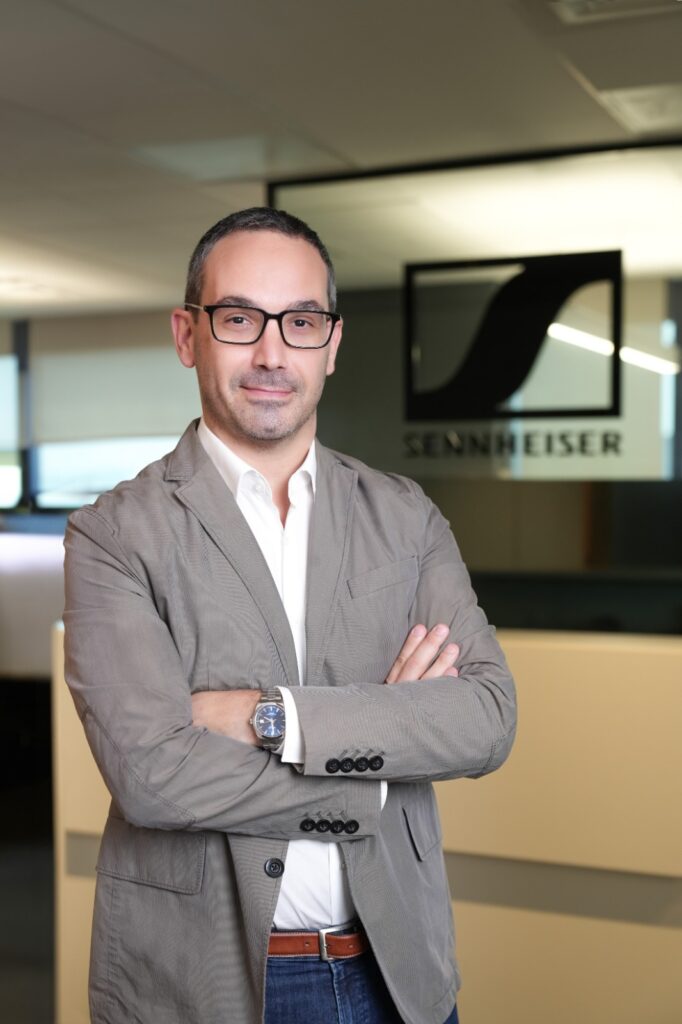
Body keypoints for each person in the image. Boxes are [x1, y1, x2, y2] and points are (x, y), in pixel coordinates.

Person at [63, 207, 516, 1024]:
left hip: (399, 974)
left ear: (332, 344)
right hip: (205, 984)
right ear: (187, 334)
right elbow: (151, 775)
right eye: (240, 318)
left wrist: (273, 717)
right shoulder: (113, 534)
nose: (272, 352)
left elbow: (485, 717)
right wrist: (374, 772)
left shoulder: (404, 517)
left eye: (301, 322)